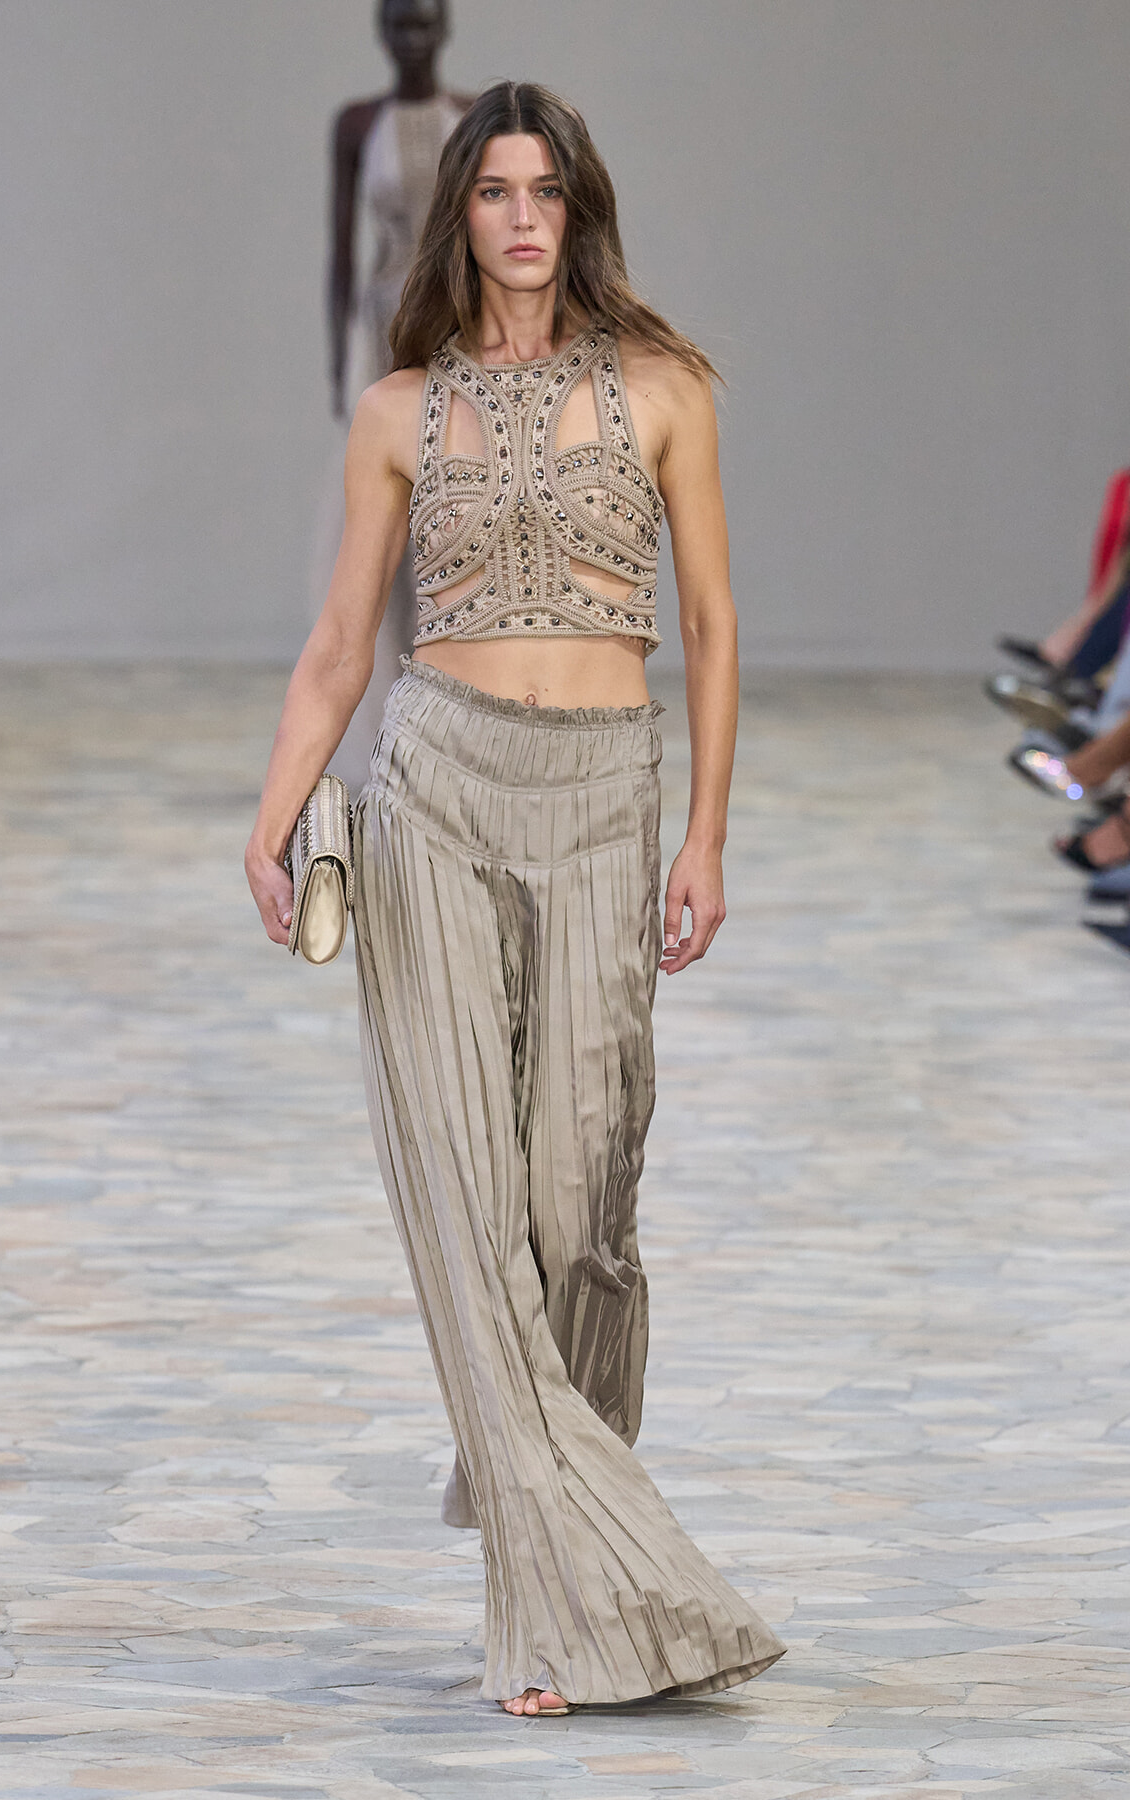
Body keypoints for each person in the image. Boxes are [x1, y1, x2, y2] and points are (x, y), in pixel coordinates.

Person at [246, 81, 786, 1717]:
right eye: (494, 190)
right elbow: (346, 639)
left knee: (578, 1215)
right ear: (462, 216)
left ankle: (564, 1554)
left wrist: (705, 838)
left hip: (607, 795)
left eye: (548, 188)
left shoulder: (670, 392)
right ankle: (570, 1605)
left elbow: (708, 626)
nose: (524, 215)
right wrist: (273, 823)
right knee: (473, 1216)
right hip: (433, 797)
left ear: (584, 207)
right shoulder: (400, 413)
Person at [314, 0, 468, 795]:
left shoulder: (472, 115)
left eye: (424, 22)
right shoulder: (356, 123)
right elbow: (340, 252)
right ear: (381, 31)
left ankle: (451, 723)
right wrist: (339, 373)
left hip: (459, 327)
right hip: (383, 329)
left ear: (446, 28)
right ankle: (376, 737)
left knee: (453, 518)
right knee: (381, 531)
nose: (412, 37)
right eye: (399, 22)